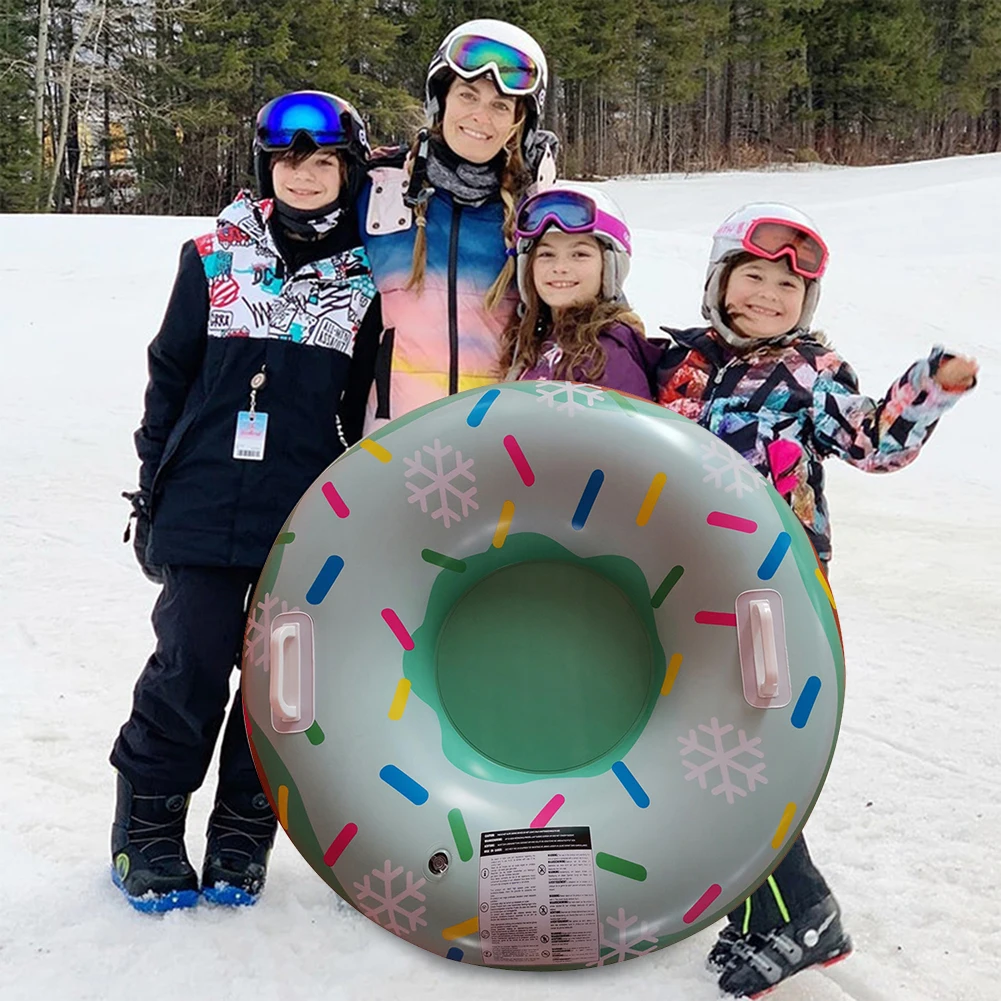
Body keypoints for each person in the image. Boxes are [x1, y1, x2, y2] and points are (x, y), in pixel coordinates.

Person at [655, 202, 978, 996]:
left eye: (786, 287)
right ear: (719, 281)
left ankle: (802, 910)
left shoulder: (808, 370)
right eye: (753, 277)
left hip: (770, 589)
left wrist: (927, 389)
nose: (768, 295)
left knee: (748, 753)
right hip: (676, 584)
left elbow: (872, 440)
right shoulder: (680, 362)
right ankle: (754, 908)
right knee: (698, 744)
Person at [112, 91, 381, 912]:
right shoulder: (211, 256)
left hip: (301, 518)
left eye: (325, 161)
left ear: (348, 172)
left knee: (278, 685)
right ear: (268, 166)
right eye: (290, 160)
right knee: (188, 665)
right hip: (199, 502)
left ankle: (241, 832)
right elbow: (169, 375)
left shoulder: (367, 276)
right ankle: (148, 831)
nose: (305, 175)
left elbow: (366, 403)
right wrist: (151, 486)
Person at [344, 18, 557, 434]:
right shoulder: (380, 191)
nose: (481, 116)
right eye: (468, 95)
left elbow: (591, 314)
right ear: (440, 101)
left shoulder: (540, 214)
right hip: (390, 446)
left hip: (499, 449)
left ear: (519, 121)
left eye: (500, 105)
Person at [500, 182, 658, 396]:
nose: (560, 268)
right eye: (547, 254)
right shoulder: (536, 337)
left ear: (609, 266)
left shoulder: (608, 356)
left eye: (580, 254)